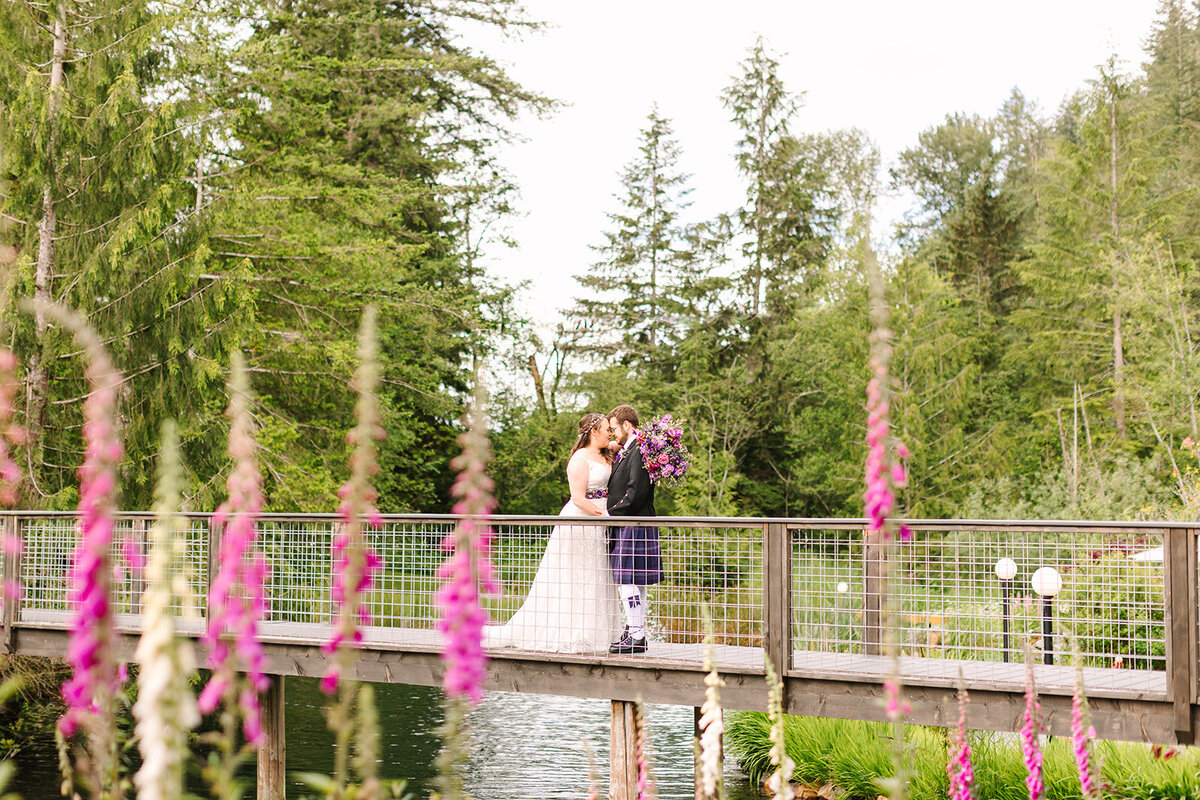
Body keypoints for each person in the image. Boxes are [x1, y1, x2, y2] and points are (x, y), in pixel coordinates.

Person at [483, 413, 622, 653]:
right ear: (593, 432)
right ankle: (572, 633)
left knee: (596, 575)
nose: (610, 432)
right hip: (582, 521)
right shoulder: (579, 459)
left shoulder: (605, 452)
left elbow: (626, 441)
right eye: (605, 429)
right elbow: (578, 498)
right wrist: (605, 519)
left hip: (598, 522)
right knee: (576, 577)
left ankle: (597, 635)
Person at [605, 404, 663, 655]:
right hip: (631, 522)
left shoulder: (639, 450)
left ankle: (637, 635)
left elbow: (635, 493)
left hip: (633, 521)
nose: (612, 434)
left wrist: (610, 514)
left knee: (626, 580)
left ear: (627, 425)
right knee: (633, 581)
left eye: (614, 428)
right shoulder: (630, 449)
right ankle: (635, 630)